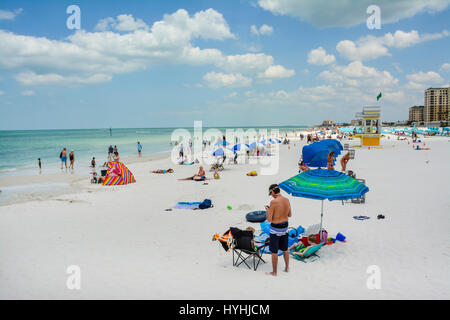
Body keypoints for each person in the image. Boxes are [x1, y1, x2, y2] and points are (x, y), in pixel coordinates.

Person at [265, 184, 292, 276]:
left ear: (273, 192)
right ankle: (287, 268)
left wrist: (267, 210)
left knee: (274, 251)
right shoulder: (287, 200)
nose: (271, 195)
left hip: (276, 229)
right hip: (285, 227)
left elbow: (269, 219)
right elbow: (290, 215)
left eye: (271, 193)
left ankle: (274, 272)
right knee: (285, 249)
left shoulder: (273, 202)